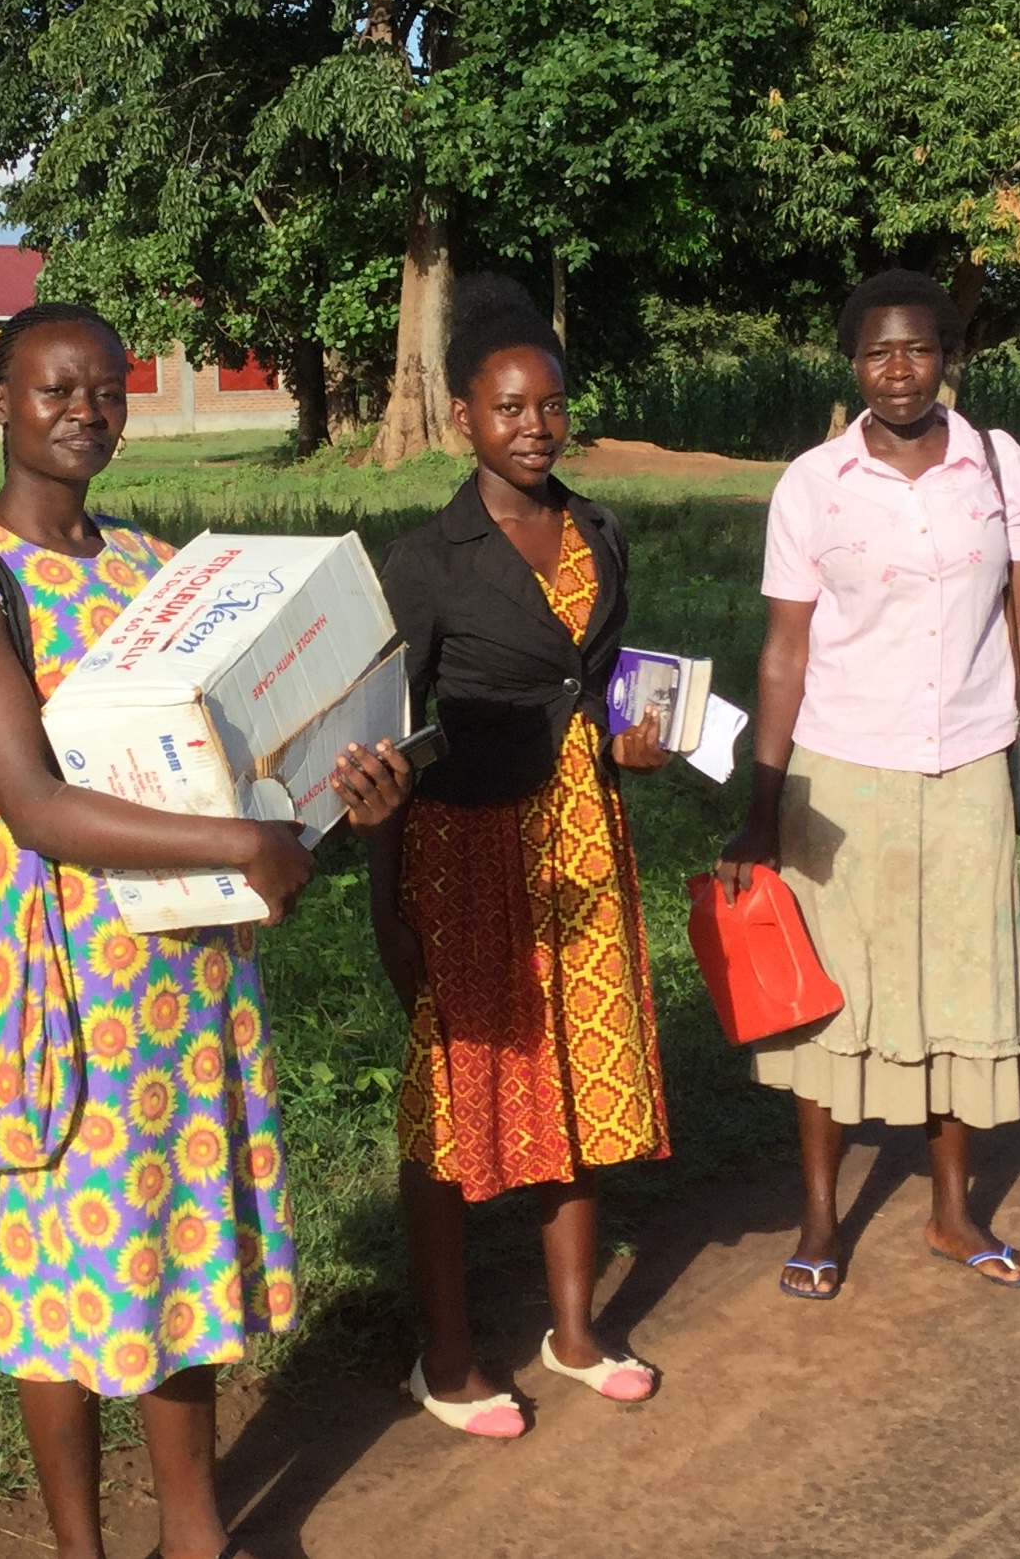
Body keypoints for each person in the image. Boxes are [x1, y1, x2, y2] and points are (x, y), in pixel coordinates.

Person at [0, 301, 412, 1559]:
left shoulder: (152, 565)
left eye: (107, 390)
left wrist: (331, 796)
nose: (85, 412)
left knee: (182, 1247)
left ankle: (197, 1532)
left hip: (190, 969)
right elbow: (34, 803)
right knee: (61, 1275)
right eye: (55, 389)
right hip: (67, 978)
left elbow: (235, 758)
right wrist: (239, 845)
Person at [715, 268, 1020, 1301]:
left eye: (918, 349)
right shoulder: (812, 484)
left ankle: (952, 1214)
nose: (899, 370)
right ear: (852, 363)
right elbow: (784, 650)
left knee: (959, 991)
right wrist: (762, 806)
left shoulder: (996, 467)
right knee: (831, 1000)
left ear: (948, 358)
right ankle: (820, 1220)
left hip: (968, 771)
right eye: (877, 352)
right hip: (839, 781)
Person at [367, 276, 673, 1439]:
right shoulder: (428, 560)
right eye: (508, 408)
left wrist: (632, 743)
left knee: (585, 1079)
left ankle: (575, 1332)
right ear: (463, 419)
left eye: (549, 405)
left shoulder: (599, 530)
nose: (534, 427)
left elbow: (598, 681)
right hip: (465, 851)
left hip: (582, 839)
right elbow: (385, 740)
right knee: (454, 1101)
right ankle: (445, 1358)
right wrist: (387, 905)